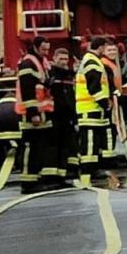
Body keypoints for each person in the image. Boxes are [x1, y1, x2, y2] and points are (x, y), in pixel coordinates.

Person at [15, 36, 58, 193]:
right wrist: (33, 113)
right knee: (30, 147)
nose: (46, 52)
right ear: (35, 47)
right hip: (31, 113)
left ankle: (36, 178)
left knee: (40, 147)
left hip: (42, 112)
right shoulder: (28, 63)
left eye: (48, 49)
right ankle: (28, 181)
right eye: (43, 49)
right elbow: (27, 90)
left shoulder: (41, 62)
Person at [76, 36, 111, 185]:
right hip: (89, 109)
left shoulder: (91, 60)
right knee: (89, 143)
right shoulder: (92, 61)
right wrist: (105, 102)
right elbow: (94, 87)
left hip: (92, 110)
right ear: (101, 47)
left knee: (94, 142)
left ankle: (93, 171)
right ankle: (87, 174)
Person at [49, 47, 78, 178]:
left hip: (68, 116)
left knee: (69, 145)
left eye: (66, 59)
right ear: (54, 59)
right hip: (54, 115)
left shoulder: (70, 75)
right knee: (55, 146)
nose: (63, 62)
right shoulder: (51, 74)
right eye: (60, 59)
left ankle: (68, 171)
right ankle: (54, 174)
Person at [100, 39, 124, 168]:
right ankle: (107, 160)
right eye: (109, 50)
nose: (112, 52)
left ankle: (109, 156)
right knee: (109, 130)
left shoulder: (114, 63)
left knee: (112, 129)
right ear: (103, 51)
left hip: (114, 100)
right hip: (109, 101)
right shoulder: (105, 64)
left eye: (114, 50)